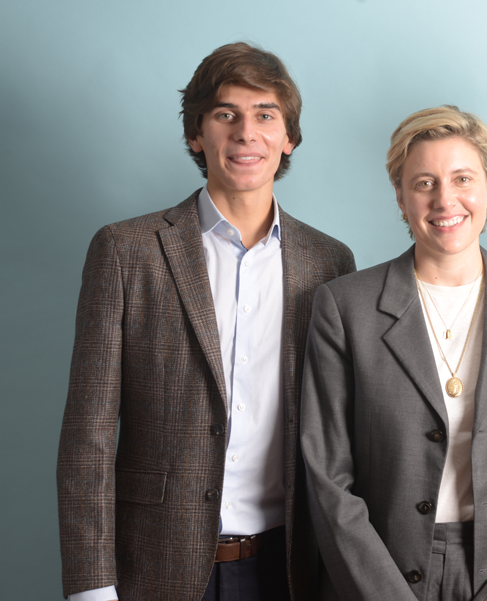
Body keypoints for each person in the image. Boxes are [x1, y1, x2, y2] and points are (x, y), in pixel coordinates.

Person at [56, 42, 355, 601]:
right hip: (154, 566)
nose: (246, 133)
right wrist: (91, 586)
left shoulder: (330, 263)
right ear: (197, 134)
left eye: (265, 115)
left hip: (290, 567)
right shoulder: (126, 251)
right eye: (225, 114)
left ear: (288, 137)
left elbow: (339, 431)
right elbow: (87, 434)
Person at [300, 105, 487, 601]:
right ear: (400, 196)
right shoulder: (344, 307)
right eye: (424, 183)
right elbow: (327, 476)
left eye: (462, 178)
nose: (445, 199)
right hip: (379, 574)